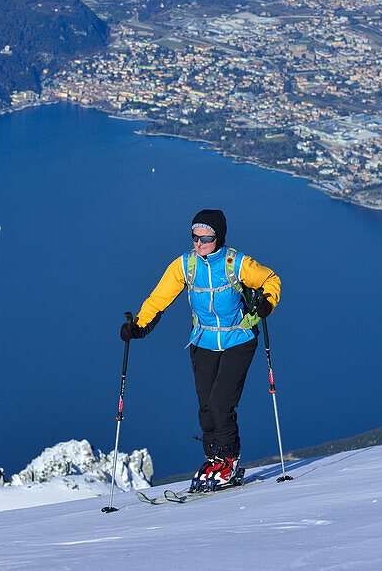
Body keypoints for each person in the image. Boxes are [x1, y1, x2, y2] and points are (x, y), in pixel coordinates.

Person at [120, 209, 280, 491]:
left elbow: (270, 280)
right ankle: (213, 458)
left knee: (221, 403)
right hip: (202, 342)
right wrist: (139, 326)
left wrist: (266, 303)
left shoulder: (237, 263)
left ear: (219, 237)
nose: (199, 243)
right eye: (195, 237)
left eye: (206, 237)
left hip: (238, 340)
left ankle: (229, 460)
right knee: (206, 407)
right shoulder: (185, 265)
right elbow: (159, 297)